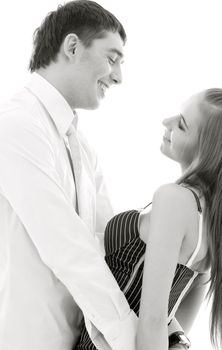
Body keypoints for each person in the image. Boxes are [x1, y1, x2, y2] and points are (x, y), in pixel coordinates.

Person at [0, 1, 139, 350]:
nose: (119, 76)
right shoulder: (17, 125)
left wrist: (168, 330)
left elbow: (112, 245)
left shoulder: (82, 146)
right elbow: (67, 246)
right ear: (73, 47)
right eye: (113, 57)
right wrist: (134, 340)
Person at [77, 88, 222, 350]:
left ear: (206, 150)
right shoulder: (211, 218)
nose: (166, 122)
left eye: (181, 124)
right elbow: (175, 324)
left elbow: (154, 319)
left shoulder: (175, 199)